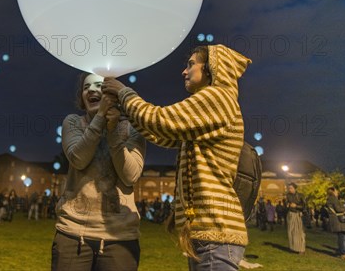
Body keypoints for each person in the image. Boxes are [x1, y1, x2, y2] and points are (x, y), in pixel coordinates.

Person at [103, 44, 251, 270]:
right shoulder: (217, 104)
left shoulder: (217, 97)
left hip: (215, 232)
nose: (184, 71)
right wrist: (125, 113)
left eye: (191, 64)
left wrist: (123, 93)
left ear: (212, 69)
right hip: (208, 234)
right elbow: (164, 135)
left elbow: (159, 120)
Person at [52, 72, 146, 271]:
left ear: (113, 92)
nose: (91, 90)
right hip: (73, 234)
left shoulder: (132, 128)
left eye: (98, 85)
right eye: (86, 87)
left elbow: (130, 176)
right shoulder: (73, 123)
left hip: (119, 239)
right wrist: (101, 118)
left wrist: (113, 133)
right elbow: (78, 159)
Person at [326, 187, 345, 261]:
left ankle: (344, 252)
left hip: (337, 220)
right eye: (336, 190)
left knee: (344, 236)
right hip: (339, 220)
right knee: (344, 236)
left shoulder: (330, 199)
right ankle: (344, 252)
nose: (337, 192)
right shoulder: (333, 198)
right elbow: (338, 209)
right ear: (333, 191)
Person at [286, 183, 306, 254]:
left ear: (295, 188)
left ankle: (301, 249)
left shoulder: (300, 195)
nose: (289, 189)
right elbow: (286, 203)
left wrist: (296, 206)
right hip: (290, 214)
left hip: (298, 214)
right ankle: (293, 247)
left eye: (291, 188)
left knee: (299, 232)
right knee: (291, 232)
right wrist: (288, 205)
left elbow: (304, 206)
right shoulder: (288, 195)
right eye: (289, 188)